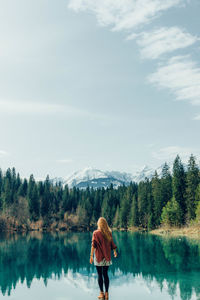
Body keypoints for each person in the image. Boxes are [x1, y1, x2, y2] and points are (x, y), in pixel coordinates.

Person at [90, 217, 117, 300]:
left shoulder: (96, 233)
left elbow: (93, 245)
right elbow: (112, 243)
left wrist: (91, 256)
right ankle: (107, 293)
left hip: (98, 257)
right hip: (107, 257)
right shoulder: (109, 232)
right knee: (105, 274)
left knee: (99, 275)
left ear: (99, 224)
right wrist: (115, 251)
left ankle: (101, 293)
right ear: (105, 224)